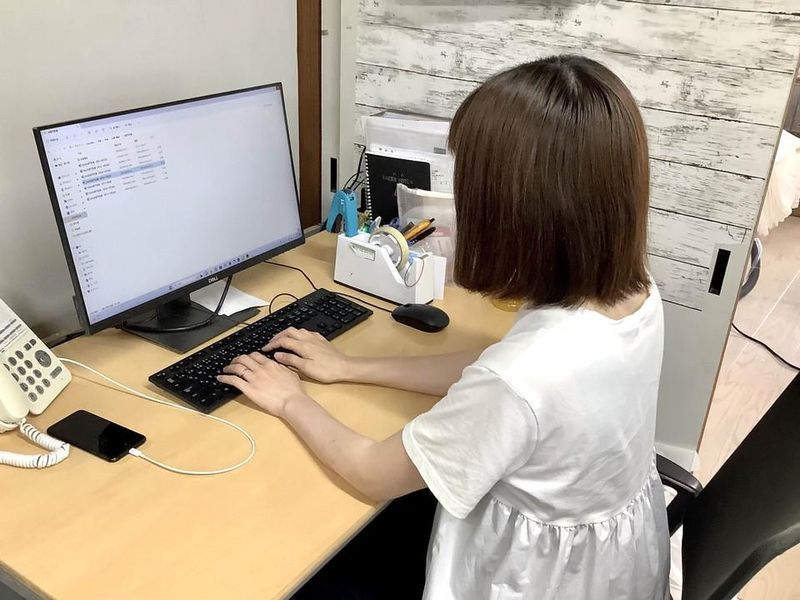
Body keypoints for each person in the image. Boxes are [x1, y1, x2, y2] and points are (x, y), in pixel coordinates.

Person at [219, 55, 670, 599]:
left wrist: (290, 398)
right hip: (609, 565)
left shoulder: (523, 377)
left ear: (512, 210)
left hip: (527, 581)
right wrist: (351, 367)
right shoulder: (632, 294)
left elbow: (372, 473)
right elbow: (497, 369)